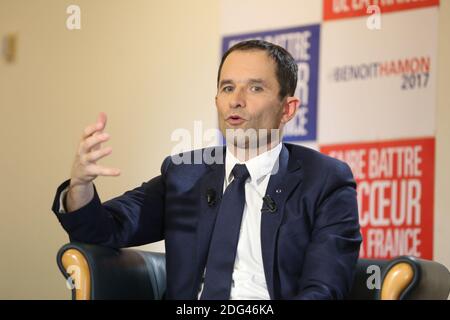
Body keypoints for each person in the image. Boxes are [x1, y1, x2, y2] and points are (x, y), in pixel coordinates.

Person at [52, 40, 362, 300]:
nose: (236, 102)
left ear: (287, 109)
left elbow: (324, 290)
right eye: (228, 88)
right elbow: (104, 230)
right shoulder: (184, 174)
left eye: (255, 88)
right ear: (217, 100)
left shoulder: (325, 181)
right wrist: (80, 185)